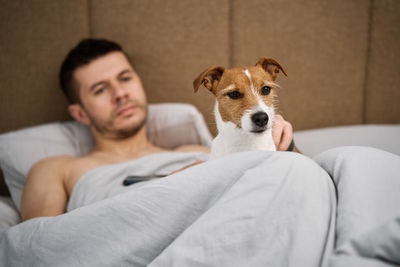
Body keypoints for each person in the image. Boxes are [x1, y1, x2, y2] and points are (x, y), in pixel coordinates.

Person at [20, 38, 297, 221]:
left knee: (340, 160)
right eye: (100, 89)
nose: (120, 94)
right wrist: (162, 190)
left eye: (125, 78)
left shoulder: (199, 150)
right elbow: (37, 243)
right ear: (79, 112)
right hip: (143, 228)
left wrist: (286, 144)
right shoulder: (58, 169)